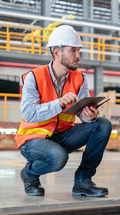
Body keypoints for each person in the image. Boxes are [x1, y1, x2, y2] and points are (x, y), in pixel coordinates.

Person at [15, 25, 112, 197]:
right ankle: (29, 174)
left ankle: (83, 181)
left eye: (78, 50)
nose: (78, 55)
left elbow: (81, 111)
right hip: (33, 139)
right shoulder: (34, 77)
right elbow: (28, 113)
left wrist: (88, 116)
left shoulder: (80, 78)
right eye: (73, 50)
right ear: (57, 53)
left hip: (63, 135)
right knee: (58, 158)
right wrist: (58, 103)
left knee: (102, 124)